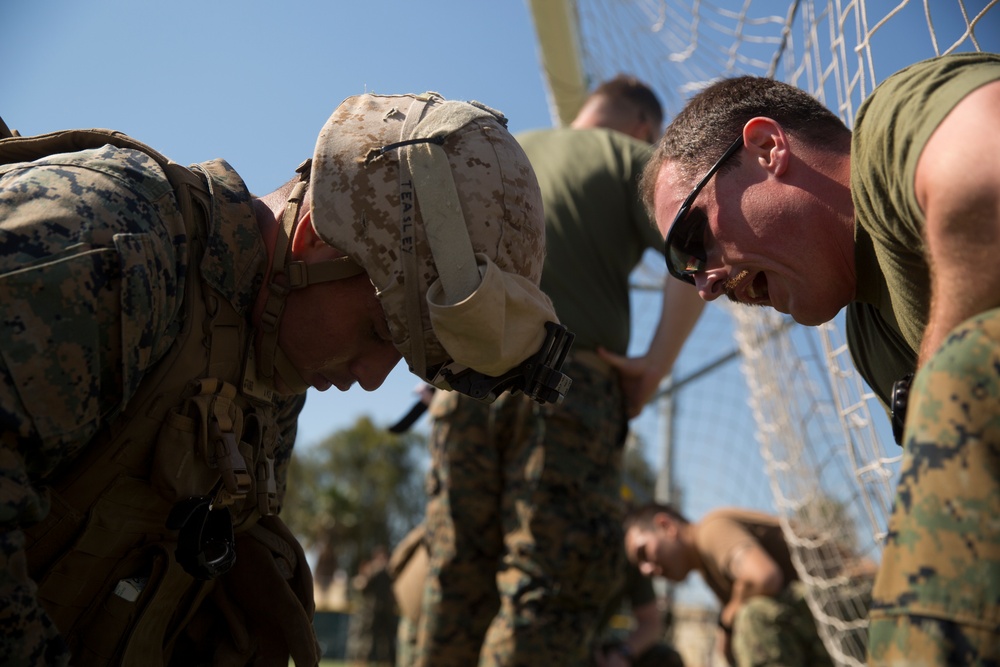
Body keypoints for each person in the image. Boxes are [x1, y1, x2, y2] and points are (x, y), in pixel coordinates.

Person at [0, 91, 574, 666]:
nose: (373, 379)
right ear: (315, 243)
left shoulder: (271, 379)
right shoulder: (120, 239)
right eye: (380, 333)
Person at [642, 53, 1000, 664]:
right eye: (689, 271)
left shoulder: (885, 140)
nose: (703, 286)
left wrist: (939, 383)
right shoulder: (869, 336)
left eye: (693, 243)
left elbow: (984, 169)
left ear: (765, 148)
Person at [415, 75, 705, 666]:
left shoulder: (503, 150)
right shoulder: (633, 159)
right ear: (644, 127)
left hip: (462, 383)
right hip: (563, 388)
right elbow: (696, 255)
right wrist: (653, 366)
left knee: (454, 577)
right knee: (549, 585)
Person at [623, 503, 834, 667]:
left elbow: (764, 578)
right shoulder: (708, 572)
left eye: (644, 553)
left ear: (666, 526)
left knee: (753, 617)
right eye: (639, 566)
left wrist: (726, 622)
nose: (646, 570)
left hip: (849, 598)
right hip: (823, 624)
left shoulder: (710, 528)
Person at [591, 559, 685, 667]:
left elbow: (651, 622)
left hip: (594, 645)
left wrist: (623, 653)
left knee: (667, 659)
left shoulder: (625, 554)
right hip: (572, 645)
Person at [346, 546, 397, 667]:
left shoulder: (390, 571)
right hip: (369, 613)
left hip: (385, 612)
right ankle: (359, 663)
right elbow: (359, 584)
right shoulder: (371, 569)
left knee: (386, 645)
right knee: (364, 643)